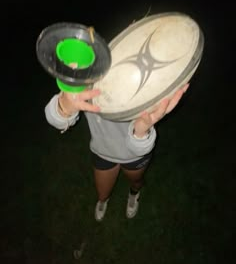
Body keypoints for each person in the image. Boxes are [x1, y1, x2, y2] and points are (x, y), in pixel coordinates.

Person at [45, 83, 189, 221]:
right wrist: (64, 106)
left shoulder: (143, 80)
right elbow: (58, 120)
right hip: (102, 151)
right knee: (102, 194)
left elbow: (140, 144)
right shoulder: (88, 73)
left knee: (136, 181)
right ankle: (103, 201)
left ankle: (134, 194)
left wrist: (141, 132)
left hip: (134, 156)